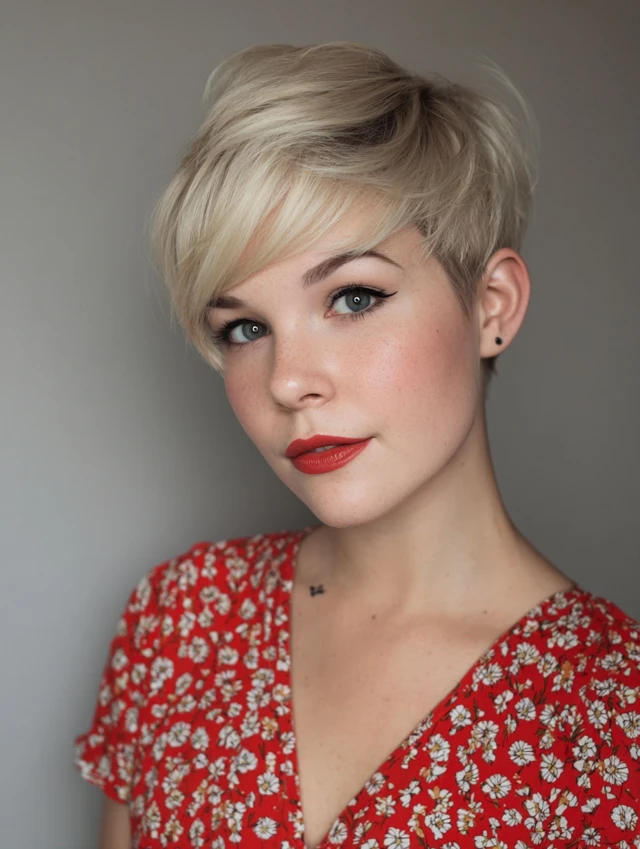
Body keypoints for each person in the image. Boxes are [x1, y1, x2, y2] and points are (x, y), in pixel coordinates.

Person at [73, 42, 640, 849]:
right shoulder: (182, 619)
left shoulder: (614, 714)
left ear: (491, 305)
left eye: (354, 297)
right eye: (245, 328)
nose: (287, 380)